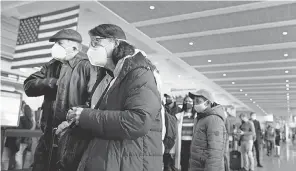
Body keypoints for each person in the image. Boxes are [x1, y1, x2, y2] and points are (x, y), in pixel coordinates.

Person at [66, 24, 163, 171]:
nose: (91, 48)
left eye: (96, 42)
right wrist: (79, 113)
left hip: (131, 160)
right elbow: (108, 110)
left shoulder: (139, 73)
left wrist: (86, 116)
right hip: (110, 157)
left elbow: (138, 121)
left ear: (116, 43)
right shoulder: (108, 76)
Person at [24, 29, 98, 171]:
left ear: (75, 48)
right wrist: (51, 82)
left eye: (60, 43)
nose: (55, 47)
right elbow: (28, 85)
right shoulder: (51, 65)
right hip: (47, 137)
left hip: (72, 139)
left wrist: (70, 121)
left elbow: (94, 101)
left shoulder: (88, 66)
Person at [188, 89, 228, 171]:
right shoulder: (200, 118)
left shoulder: (214, 120)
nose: (195, 104)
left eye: (198, 101)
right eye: (194, 101)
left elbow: (215, 151)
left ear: (207, 103)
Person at [174, 96, 195, 171]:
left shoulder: (196, 116)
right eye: (186, 101)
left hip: (193, 143)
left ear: (193, 103)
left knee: (193, 164)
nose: (188, 103)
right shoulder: (178, 116)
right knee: (184, 164)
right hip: (182, 143)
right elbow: (175, 133)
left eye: (190, 101)